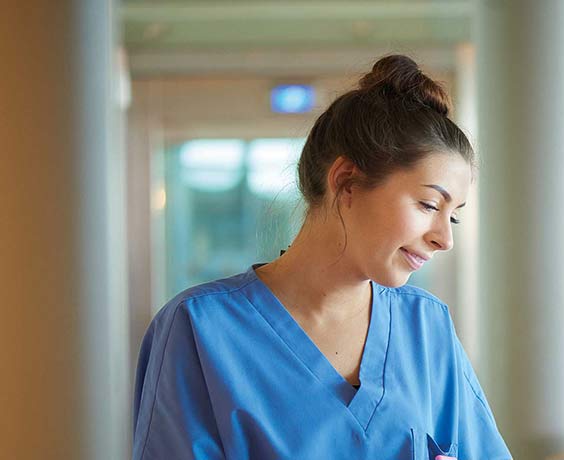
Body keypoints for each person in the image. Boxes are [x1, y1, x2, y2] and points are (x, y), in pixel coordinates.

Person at [132, 54, 512, 460]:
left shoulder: (425, 325)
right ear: (346, 181)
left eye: (453, 216)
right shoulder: (199, 329)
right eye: (427, 204)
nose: (444, 238)